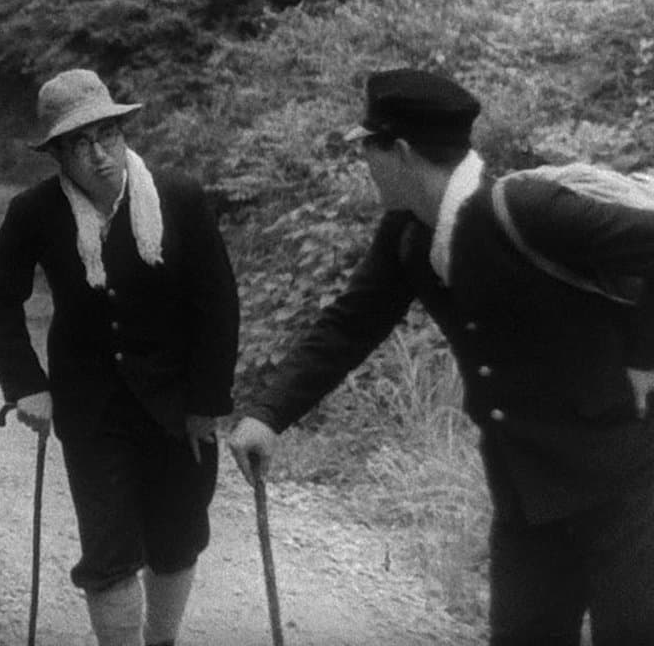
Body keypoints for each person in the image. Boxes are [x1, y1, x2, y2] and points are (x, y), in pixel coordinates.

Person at [228, 68, 654, 645]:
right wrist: (269, 413)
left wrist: (641, 355)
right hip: (528, 494)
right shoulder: (408, 235)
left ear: (399, 151)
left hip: (629, 483)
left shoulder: (529, 209)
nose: (366, 165)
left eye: (368, 150)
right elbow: (351, 324)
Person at [0, 69, 240, 646]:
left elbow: (217, 304)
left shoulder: (179, 198)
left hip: (177, 406)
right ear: (58, 156)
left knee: (177, 536)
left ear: (123, 134)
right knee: (110, 546)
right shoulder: (35, 213)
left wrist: (206, 404)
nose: (98, 155)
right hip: (90, 410)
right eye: (79, 144)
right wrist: (26, 384)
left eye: (108, 136)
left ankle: (161, 639)